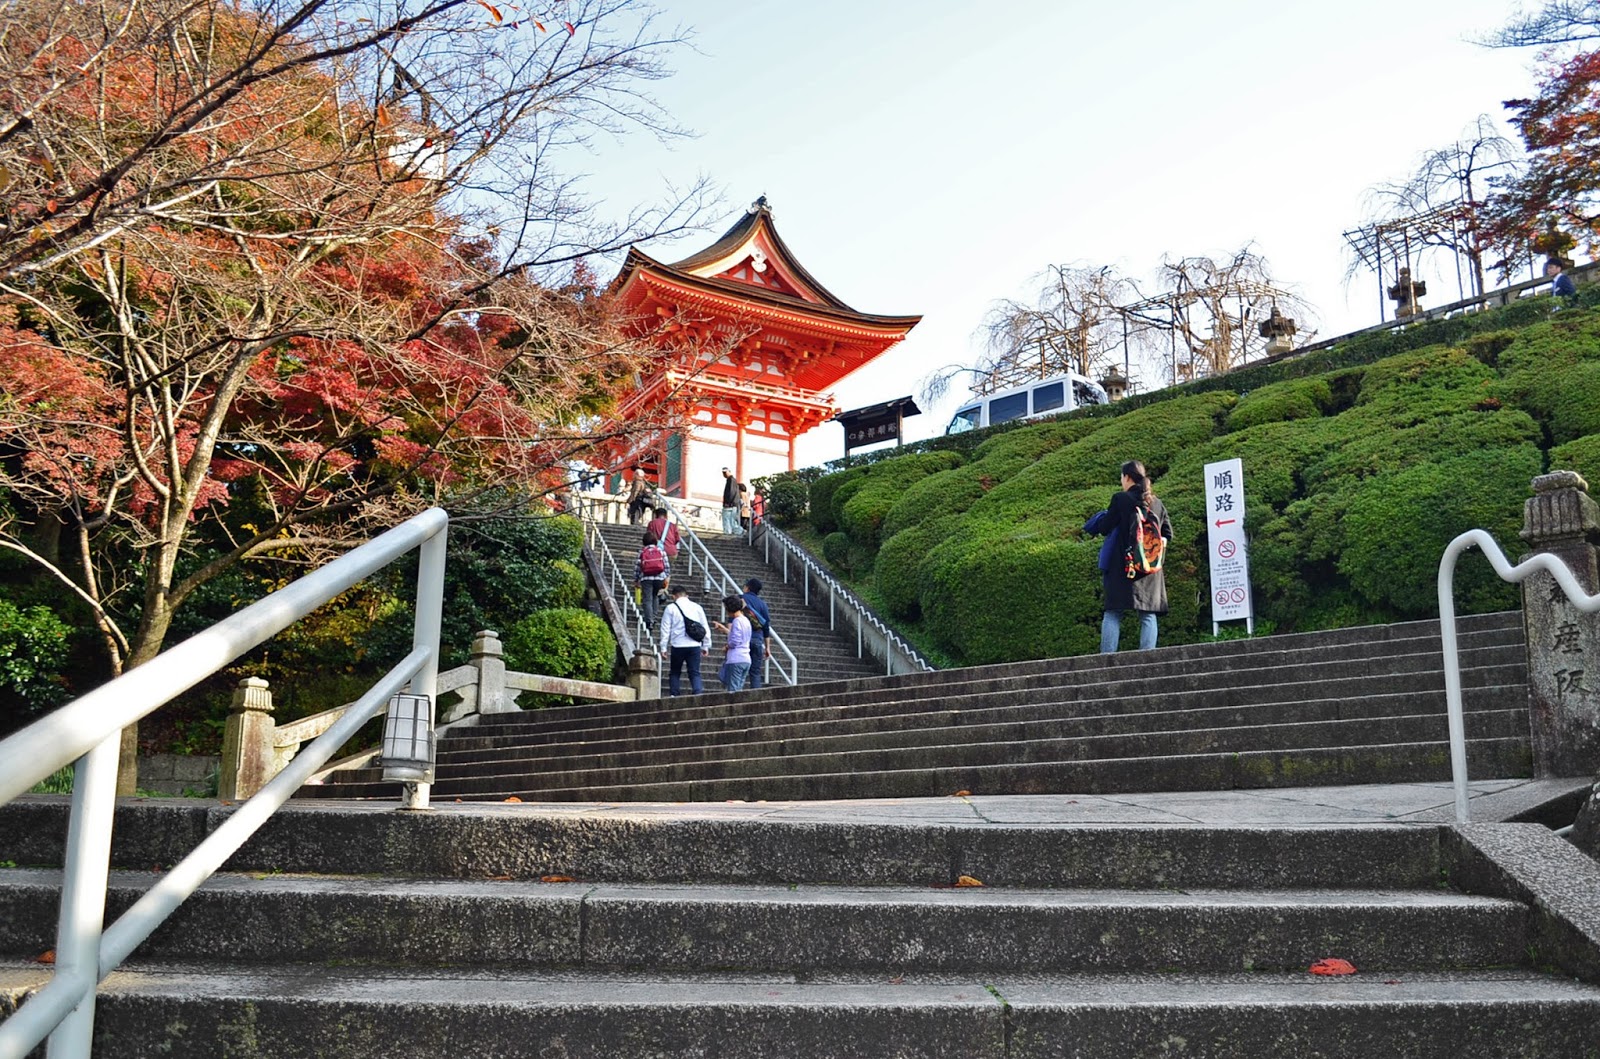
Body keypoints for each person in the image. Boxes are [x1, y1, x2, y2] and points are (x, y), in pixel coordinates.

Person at [1083, 459, 1172, 653]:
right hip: (1149, 567)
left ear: (1127, 477)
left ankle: (1107, 658)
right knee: (1148, 614)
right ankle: (1148, 657)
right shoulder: (1156, 503)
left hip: (1124, 564)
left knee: (1113, 612)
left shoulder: (1120, 499)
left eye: (1122, 477)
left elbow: (1106, 527)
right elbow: (1168, 534)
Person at [659, 585, 711, 696]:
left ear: (674, 596)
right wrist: (706, 645)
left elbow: (665, 629)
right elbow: (704, 627)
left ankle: (674, 694)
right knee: (694, 672)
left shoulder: (671, 608)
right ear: (686, 595)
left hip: (678, 645)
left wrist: (663, 647)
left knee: (675, 672)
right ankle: (698, 693)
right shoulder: (697, 607)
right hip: (694, 645)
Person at [712, 594, 752, 691]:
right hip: (746, 658)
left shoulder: (736, 621)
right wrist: (725, 629)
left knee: (733, 690)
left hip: (736, 659)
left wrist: (727, 646)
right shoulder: (745, 620)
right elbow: (740, 636)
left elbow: (735, 641)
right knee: (739, 689)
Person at [632, 531, 670, 628]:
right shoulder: (661, 551)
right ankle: (654, 617)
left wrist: (636, 579)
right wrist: (665, 577)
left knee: (647, 598)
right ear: (655, 541)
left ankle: (649, 621)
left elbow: (637, 567)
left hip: (646, 578)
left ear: (644, 541)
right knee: (655, 596)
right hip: (659, 577)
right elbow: (666, 566)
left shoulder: (642, 552)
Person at [741, 577, 773, 690]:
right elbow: (766, 627)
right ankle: (756, 697)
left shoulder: (741, 599)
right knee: (755, 672)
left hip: (742, 640)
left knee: (738, 671)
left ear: (747, 588)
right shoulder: (762, 604)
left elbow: (732, 619)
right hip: (757, 640)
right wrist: (767, 647)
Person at [720, 467, 740, 534]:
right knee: (732, 521)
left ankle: (730, 532)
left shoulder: (731, 480)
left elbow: (731, 492)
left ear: (729, 471)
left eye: (725, 472)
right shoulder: (732, 480)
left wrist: (728, 502)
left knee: (728, 520)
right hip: (733, 504)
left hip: (730, 504)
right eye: (723, 473)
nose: (724, 474)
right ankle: (736, 531)